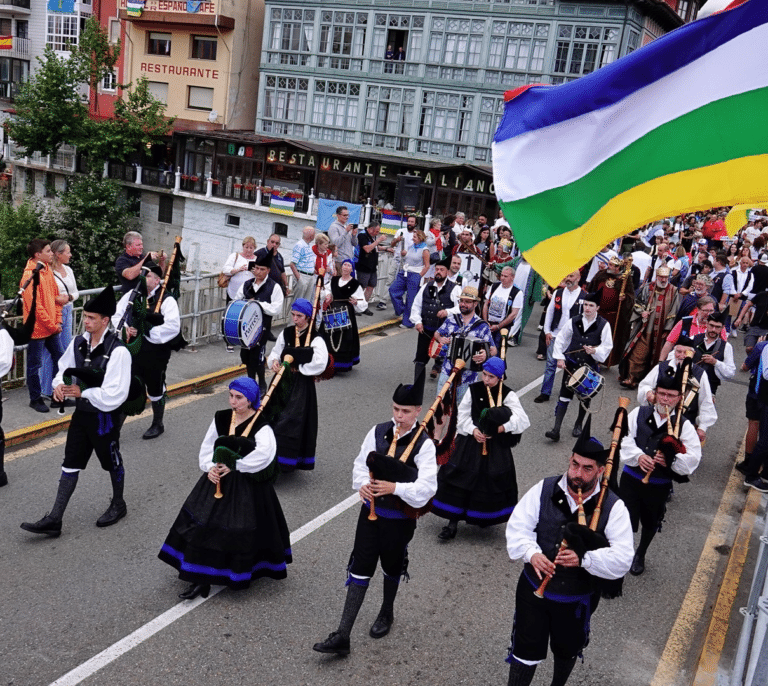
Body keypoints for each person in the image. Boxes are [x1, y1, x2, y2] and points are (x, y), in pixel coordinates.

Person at [312, 371, 436, 656]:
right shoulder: (378, 431)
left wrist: (395, 487)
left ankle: (386, 612)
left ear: (418, 410)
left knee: (392, 566)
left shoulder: (424, 444)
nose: (399, 415)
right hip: (370, 515)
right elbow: (359, 463)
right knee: (360, 566)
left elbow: (427, 488)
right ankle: (343, 635)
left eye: (405, 411)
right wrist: (362, 486)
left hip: (399, 520)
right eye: (395, 409)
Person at [505, 426, 634, 686]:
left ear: (600, 470)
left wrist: (584, 560)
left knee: (567, 648)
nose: (577, 473)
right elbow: (517, 527)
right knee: (525, 649)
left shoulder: (613, 506)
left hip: (576, 598)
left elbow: (622, 558)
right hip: (534, 590)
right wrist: (532, 553)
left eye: (587, 468)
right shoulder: (545, 488)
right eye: (575, 464)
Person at [158, 377, 291, 600]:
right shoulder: (221, 418)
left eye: (239, 398)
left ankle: (232, 571)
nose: (233, 402)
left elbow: (265, 455)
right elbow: (208, 446)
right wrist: (209, 468)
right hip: (216, 479)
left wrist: (236, 465)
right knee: (203, 524)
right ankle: (199, 579)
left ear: (250, 400)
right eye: (230, 396)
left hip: (246, 485)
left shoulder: (261, 424)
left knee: (239, 528)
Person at [20, 288, 131, 537]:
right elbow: (63, 368)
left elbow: (116, 393)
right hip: (81, 416)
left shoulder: (118, 351)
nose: (87, 321)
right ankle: (55, 519)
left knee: (111, 461)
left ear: (105, 320)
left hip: (104, 418)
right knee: (71, 462)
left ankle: (118, 504)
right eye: (86, 316)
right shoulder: (78, 342)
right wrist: (58, 385)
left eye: (92, 318)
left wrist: (84, 393)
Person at [432, 357, 529, 540]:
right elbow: (463, 415)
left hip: (495, 446)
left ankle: (483, 516)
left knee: (489, 480)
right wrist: (473, 430)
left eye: (491, 377)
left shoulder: (508, 395)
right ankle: (452, 523)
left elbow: (522, 420)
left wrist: (501, 429)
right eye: (484, 374)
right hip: (470, 442)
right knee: (460, 478)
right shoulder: (473, 390)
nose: (486, 380)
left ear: (499, 378)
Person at [619, 373, 702, 575]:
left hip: (658, 483)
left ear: (679, 398)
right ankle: (622, 552)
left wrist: (671, 461)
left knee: (651, 520)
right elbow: (623, 438)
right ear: (654, 394)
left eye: (670, 395)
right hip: (631, 477)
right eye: (661, 394)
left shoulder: (684, 426)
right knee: (623, 518)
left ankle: (641, 553)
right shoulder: (639, 413)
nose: (665, 399)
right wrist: (638, 456)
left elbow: (694, 457)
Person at [113, 261, 182, 440]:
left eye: (149, 275)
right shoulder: (132, 293)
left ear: (158, 279)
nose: (144, 278)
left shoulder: (167, 299)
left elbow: (173, 326)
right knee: (130, 386)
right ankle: (115, 430)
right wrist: (125, 328)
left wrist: (148, 331)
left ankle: (158, 424)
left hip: (155, 353)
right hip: (132, 350)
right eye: (143, 274)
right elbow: (117, 315)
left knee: (155, 387)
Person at [267, 298, 329, 471]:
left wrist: (298, 367)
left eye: (299, 316)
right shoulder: (286, 333)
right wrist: (273, 362)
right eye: (293, 315)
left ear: (308, 317)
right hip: (281, 382)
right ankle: (268, 457)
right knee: (273, 416)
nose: (295, 319)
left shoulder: (316, 339)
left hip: (301, 385)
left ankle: (286, 460)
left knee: (292, 421)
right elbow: (275, 352)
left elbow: (320, 363)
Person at [546, 292, 612, 442]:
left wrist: (595, 351)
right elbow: (561, 339)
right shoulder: (574, 321)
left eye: (591, 306)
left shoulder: (604, 324)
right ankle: (556, 429)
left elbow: (607, 346)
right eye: (586, 305)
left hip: (589, 366)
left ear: (597, 308)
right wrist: (560, 358)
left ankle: (578, 424)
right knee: (564, 396)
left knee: (585, 397)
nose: (587, 308)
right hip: (572, 364)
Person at [637, 336, 717, 443]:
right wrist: (648, 393)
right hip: (657, 418)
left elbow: (706, 402)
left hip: (685, 424)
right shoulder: (662, 367)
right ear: (674, 351)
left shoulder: (700, 374)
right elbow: (644, 385)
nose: (682, 355)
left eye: (686, 352)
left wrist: (702, 428)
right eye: (679, 351)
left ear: (692, 354)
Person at [433, 286, 497, 404]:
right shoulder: (452, 319)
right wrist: (440, 339)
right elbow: (437, 333)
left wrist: (486, 354)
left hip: (468, 376)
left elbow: (493, 349)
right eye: (461, 301)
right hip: (447, 370)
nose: (463, 304)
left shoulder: (482, 326)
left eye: (467, 302)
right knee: (440, 407)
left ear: (475, 304)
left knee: (462, 411)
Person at [620, 266, 680, 389]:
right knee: (638, 354)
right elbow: (637, 303)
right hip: (645, 328)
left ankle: (650, 381)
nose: (663, 280)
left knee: (656, 357)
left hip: (661, 331)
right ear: (657, 276)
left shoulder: (674, 291)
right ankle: (632, 378)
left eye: (666, 277)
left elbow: (674, 311)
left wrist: (668, 329)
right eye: (661, 277)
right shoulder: (647, 288)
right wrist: (642, 311)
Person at [22, 239, 63, 413]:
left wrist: (58, 320)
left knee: (60, 359)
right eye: (48, 251)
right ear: (38, 255)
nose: (52, 253)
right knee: (34, 364)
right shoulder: (29, 276)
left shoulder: (47, 270)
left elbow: (56, 297)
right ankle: (35, 398)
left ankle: (56, 396)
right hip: (37, 329)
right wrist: (53, 325)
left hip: (51, 326)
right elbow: (36, 308)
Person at [236, 250, 285, 393]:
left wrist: (257, 304)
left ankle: (262, 383)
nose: (257, 272)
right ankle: (251, 382)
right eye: (256, 268)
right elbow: (237, 300)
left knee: (258, 357)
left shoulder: (274, 287)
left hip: (262, 328)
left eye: (262, 269)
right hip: (245, 328)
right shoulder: (247, 284)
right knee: (246, 356)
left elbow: (276, 308)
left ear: (268, 270)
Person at [535, 271, 586, 404]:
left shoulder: (584, 296)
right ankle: (545, 393)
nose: (568, 279)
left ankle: (566, 391)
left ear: (578, 278)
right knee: (550, 365)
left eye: (571, 276)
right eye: (567, 276)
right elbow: (550, 312)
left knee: (569, 366)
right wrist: (547, 331)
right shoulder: (558, 293)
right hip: (556, 335)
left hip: (572, 338)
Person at [40, 240, 78, 407]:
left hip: (68, 311)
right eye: (67, 252)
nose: (70, 255)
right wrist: (57, 300)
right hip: (54, 313)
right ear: (58, 254)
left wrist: (68, 298)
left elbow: (76, 292)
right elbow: (45, 295)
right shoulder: (47, 272)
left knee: (64, 351)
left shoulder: (68, 270)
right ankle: (47, 389)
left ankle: (59, 389)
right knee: (51, 352)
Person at [410, 255, 460, 379]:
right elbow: (416, 306)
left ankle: (442, 386)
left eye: (441, 270)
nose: (438, 272)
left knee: (444, 360)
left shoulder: (455, 288)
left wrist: (447, 312)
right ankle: (417, 386)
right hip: (425, 329)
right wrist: (417, 321)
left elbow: (461, 308)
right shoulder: (426, 286)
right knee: (420, 359)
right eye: (436, 269)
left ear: (447, 272)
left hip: (444, 332)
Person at [587, 256, 635, 368]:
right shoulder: (601, 274)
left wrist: (624, 298)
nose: (608, 266)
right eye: (609, 264)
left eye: (611, 265)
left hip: (612, 316)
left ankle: (605, 360)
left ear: (618, 267)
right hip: (597, 313)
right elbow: (592, 288)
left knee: (606, 338)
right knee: (594, 336)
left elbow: (631, 296)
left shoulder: (624, 279)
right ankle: (590, 357)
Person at [322, 259, 367, 372]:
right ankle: (328, 362)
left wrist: (357, 303)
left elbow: (363, 302)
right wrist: (328, 295)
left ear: (352, 269)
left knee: (344, 339)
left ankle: (341, 364)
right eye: (344, 265)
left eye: (348, 265)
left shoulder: (355, 284)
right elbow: (327, 289)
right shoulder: (334, 280)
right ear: (341, 267)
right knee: (328, 336)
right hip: (332, 311)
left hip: (346, 313)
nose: (346, 267)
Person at [389, 228, 429, 329]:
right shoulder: (412, 246)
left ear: (420, 238)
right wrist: (404, 254)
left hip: (415, 274)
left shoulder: (425, 250)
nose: (413, 239)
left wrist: (419, 276)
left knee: (411, 298)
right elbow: (408, 258)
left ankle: (408, 322)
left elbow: (427, 266)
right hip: (405, 272)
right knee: (393, 289)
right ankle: (401, 310)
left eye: (415, 237)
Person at [690, 311, 735, 398]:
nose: (713, 330)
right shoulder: (693, 339)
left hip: (709, 390)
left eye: (717, 327)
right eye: (711, 325)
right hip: (688, 386)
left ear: (722, 327)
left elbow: (730, 372)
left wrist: (715, 362)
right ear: (706, 324)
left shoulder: (726, 347)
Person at [483, 266, 522, 352]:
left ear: (512, 277)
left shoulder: (517, 293)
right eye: (502, 275)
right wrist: (486, 321)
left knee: (499, 351)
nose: (502, 278)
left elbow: (513, 314)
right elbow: (486, 304)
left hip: (503, 328)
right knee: (485, 349)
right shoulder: (494, 286)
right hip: (489, 324)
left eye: (505, 276)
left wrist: (498, 326)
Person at [356, 222, 388, 313]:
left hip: (372, 266)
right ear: (370, 229)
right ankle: (357, 307)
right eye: (376, 231)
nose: (377, 233)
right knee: (361, 287)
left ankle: (364, 306)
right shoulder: (362, 236)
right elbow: (367, 248)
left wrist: (386, 248)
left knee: (372, 285)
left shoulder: (372, 236)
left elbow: (375, 247)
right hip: (363, 265)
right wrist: (378, 240)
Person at [328, 206, 358, 276]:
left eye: (348, 215)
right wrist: (346, 231)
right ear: (338, 215)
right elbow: (336, 243)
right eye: (344, 215)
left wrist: (354, 235)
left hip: (349, 260)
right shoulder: (334, 227)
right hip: (339, 261)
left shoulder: (346, 226)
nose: (347, 217)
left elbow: (355, 244)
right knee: (340, 283)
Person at [290, 226, 317, 303]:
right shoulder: (300, 245)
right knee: (298, 301)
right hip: (302, 276)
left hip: (309, 276)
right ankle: (293, 314)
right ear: (311, 236)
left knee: (305, 302)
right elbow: (292, 264)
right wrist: (300, 279)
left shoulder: (308, 245)